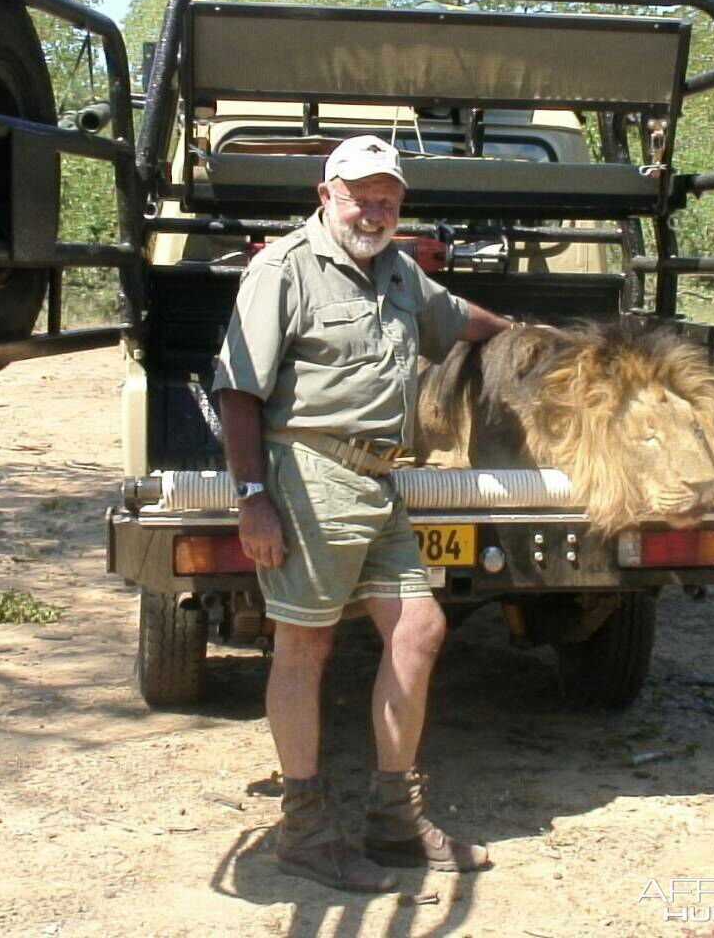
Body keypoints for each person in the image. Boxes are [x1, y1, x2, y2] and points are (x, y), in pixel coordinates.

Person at [213, 134, 522, 893]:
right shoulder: (282, 269)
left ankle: (394, 818)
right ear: (328, 196)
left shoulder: (398, 272)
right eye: (360, 196)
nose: (374, 210)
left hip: (381, 480)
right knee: (303, 649)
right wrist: (253, 499)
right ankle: (306, 832)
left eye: (388, 198)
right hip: (308, 474)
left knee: (419, 628)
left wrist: (528, 336)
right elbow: (237, 390)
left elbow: (457, 317)